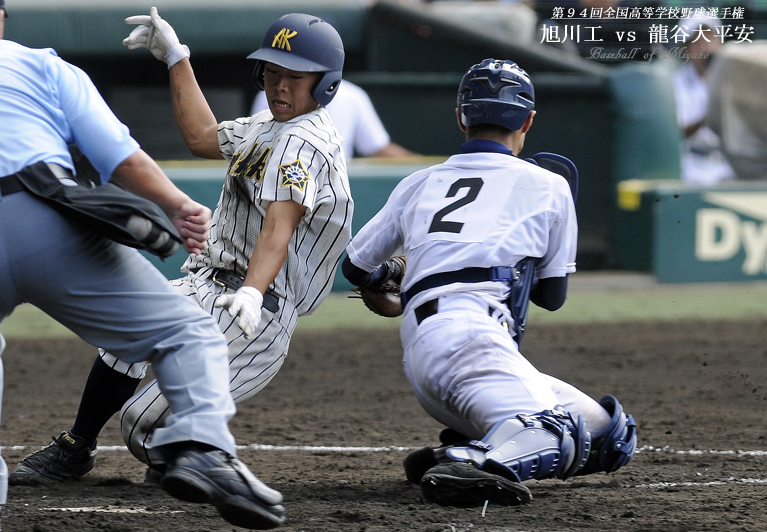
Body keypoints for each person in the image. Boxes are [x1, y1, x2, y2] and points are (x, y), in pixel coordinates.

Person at [0, 1, 286, 530]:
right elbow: (121, 158)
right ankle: (201, 446)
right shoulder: (42, 64)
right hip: (46, 221)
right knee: (187, 334)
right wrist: (176, 204)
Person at [8, 7, 353, 494]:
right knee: (126, 333)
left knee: (139, 422)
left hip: (256, 312)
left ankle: (205, 460)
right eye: (273, 71)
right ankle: (78, 445)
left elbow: (280, 226)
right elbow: (201, 138)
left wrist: (252, 293)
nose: (280, 85)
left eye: (295, 76)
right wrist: (176, 57)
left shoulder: (306, 143)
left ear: (325, 83)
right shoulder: (267, 127)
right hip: (206, 283)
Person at [340, 58, 637, 506]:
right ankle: (470, 460)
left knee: (609, 437)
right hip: (472, 343)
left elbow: (356, 267)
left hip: (430, 352)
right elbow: (552, 297)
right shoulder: (548, 184)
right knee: (554, 432)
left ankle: (460, 447)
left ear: (461, 116)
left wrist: (392, 279)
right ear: (528, 120)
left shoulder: (419, 182)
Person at [251, 78, 419, 160]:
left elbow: (378, 148)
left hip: (332, 191)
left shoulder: (352, 95)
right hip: (282, 183)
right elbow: (255, 148)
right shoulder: (272, 93)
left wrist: (428, 167)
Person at [672, 17, 735, 184]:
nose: (705, 48)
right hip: (690, 171)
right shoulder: (674, 83)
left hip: (729, 170)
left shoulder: (734, 81)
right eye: (697, 42)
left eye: (711, 39)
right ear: (685, 48)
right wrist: (710, 112)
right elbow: (677, 132)